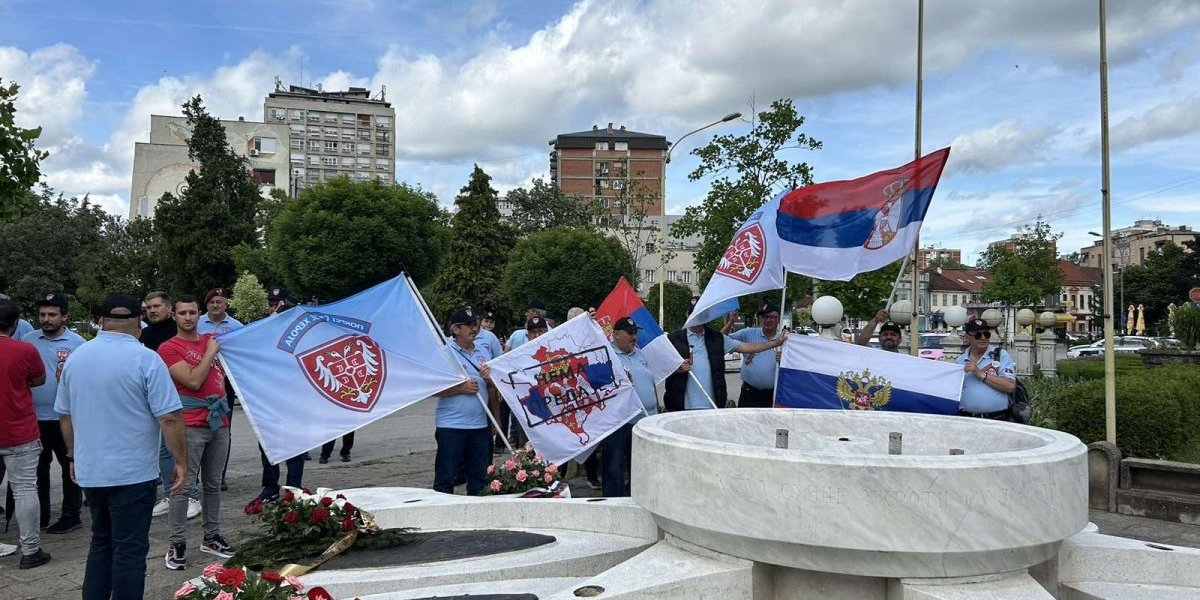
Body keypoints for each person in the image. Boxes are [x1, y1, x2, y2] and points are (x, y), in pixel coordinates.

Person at [55, 292, 186, 599]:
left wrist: (73, 456)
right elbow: (169, 417)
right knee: (129, 550)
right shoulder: (146, 358)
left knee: (101, 542)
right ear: (138, 321)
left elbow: (65, 416)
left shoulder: (77, 358)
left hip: (92, 471)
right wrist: (181, 462)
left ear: (101, 321)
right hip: (133, 472)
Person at [158, 295, 234, 569]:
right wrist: (211, 353)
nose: (188, 317)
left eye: (192, 312)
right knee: (183, 484)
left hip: (219, 422)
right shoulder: (168, 348)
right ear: (174, 316)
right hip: (189, 423)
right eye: (183, 313)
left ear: (199, 314)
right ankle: (177, 542)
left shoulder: (210, 340)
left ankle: (211, 536)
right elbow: (192, 380)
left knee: (213, 483)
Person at [21, 292, 85, 533]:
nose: (46, 319)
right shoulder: (28, 340)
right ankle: (41, 514)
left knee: (70, 464)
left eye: (52, 314)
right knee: (38, 468)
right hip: (34, 416)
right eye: (42, 314)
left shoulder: (77, 343)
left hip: (65, 418)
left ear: (64, 316)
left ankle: (71, 514)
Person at [0, 298, 51, 569]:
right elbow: (39, 379)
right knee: (24, 490)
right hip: (20, 430)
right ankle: (30, 550)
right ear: (16, 323)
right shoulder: (25, 349)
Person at [142, 292, 200, 520]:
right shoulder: (144, 334)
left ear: (169, 310)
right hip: (151, 399)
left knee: (180, 449)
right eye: (149, 307)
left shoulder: (177, 334)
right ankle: (171, 493)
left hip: (178, 399)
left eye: (157, 306)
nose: (152, 310)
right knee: (162, 453)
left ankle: (191, 495)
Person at [250, 287, 306, 504]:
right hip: (267, 397)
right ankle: (270, 486)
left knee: (295, 444)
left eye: (278, 304)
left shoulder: (297, 327)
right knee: (267, 444)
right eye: (271, 304)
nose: (273, 308)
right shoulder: (259, 327)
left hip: (293, 396)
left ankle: (293, 489)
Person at [433, 307, 494, 495]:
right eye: (468, 325)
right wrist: (461, 388)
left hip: (479, 425)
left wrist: (490, 380)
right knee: (446, 477)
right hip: (452, 425)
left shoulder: (483, 351)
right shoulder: (444, 352)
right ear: (455, 329)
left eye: (475, 324)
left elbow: (493, 387)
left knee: (480, 479)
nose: (473, 329)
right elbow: (432, 389)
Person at [664, 322, 786, 411]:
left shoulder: (717, 338)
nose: (696, 319)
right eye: (693, 315)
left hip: (712, 405)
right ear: (688, 315)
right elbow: (661, 367)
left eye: (700, 315)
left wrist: (775, 343)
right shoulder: (673, 338)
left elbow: (746, 347)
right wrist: (677, 369)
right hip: (681, 406)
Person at [601, 317, 660, 497]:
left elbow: (650, 383)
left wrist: (656, 408)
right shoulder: (606, 355)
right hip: (620, 423)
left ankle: (638, 505)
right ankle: (614, 509)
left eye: (635, 333)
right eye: (630, 333)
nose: (634, 337)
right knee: (614, 470)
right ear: (616, 334)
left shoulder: (639, 353)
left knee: (641, 470)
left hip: (644, 422)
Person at [198, 287, 242, 491]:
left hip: (225, 383)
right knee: (198, 427)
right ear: (206, 305)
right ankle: (197, 474)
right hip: (200, 381)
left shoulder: (236, 326)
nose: (215, 305)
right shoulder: (197, 323)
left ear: (226, 303)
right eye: (211, 302)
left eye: (219, 301)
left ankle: (219, 474)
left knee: (223, 428)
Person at [721, 304, 785, 408]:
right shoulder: (748, 333)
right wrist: (731, 322)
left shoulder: (784, 340)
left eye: (772, 317)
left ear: (779, 319)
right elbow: (721, 339)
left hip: (773, 395)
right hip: (749, 394)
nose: (768, 320)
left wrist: (784, 361)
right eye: (764, 317)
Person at [955, 318, 1017, 420]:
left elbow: (1010, 386)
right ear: (967, 338)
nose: (983, 338)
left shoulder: (1000, 355)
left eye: (986, 334)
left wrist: (980, 373)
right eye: (978, 335)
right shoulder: (960, 361)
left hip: (997, 418)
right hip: (967, 419)